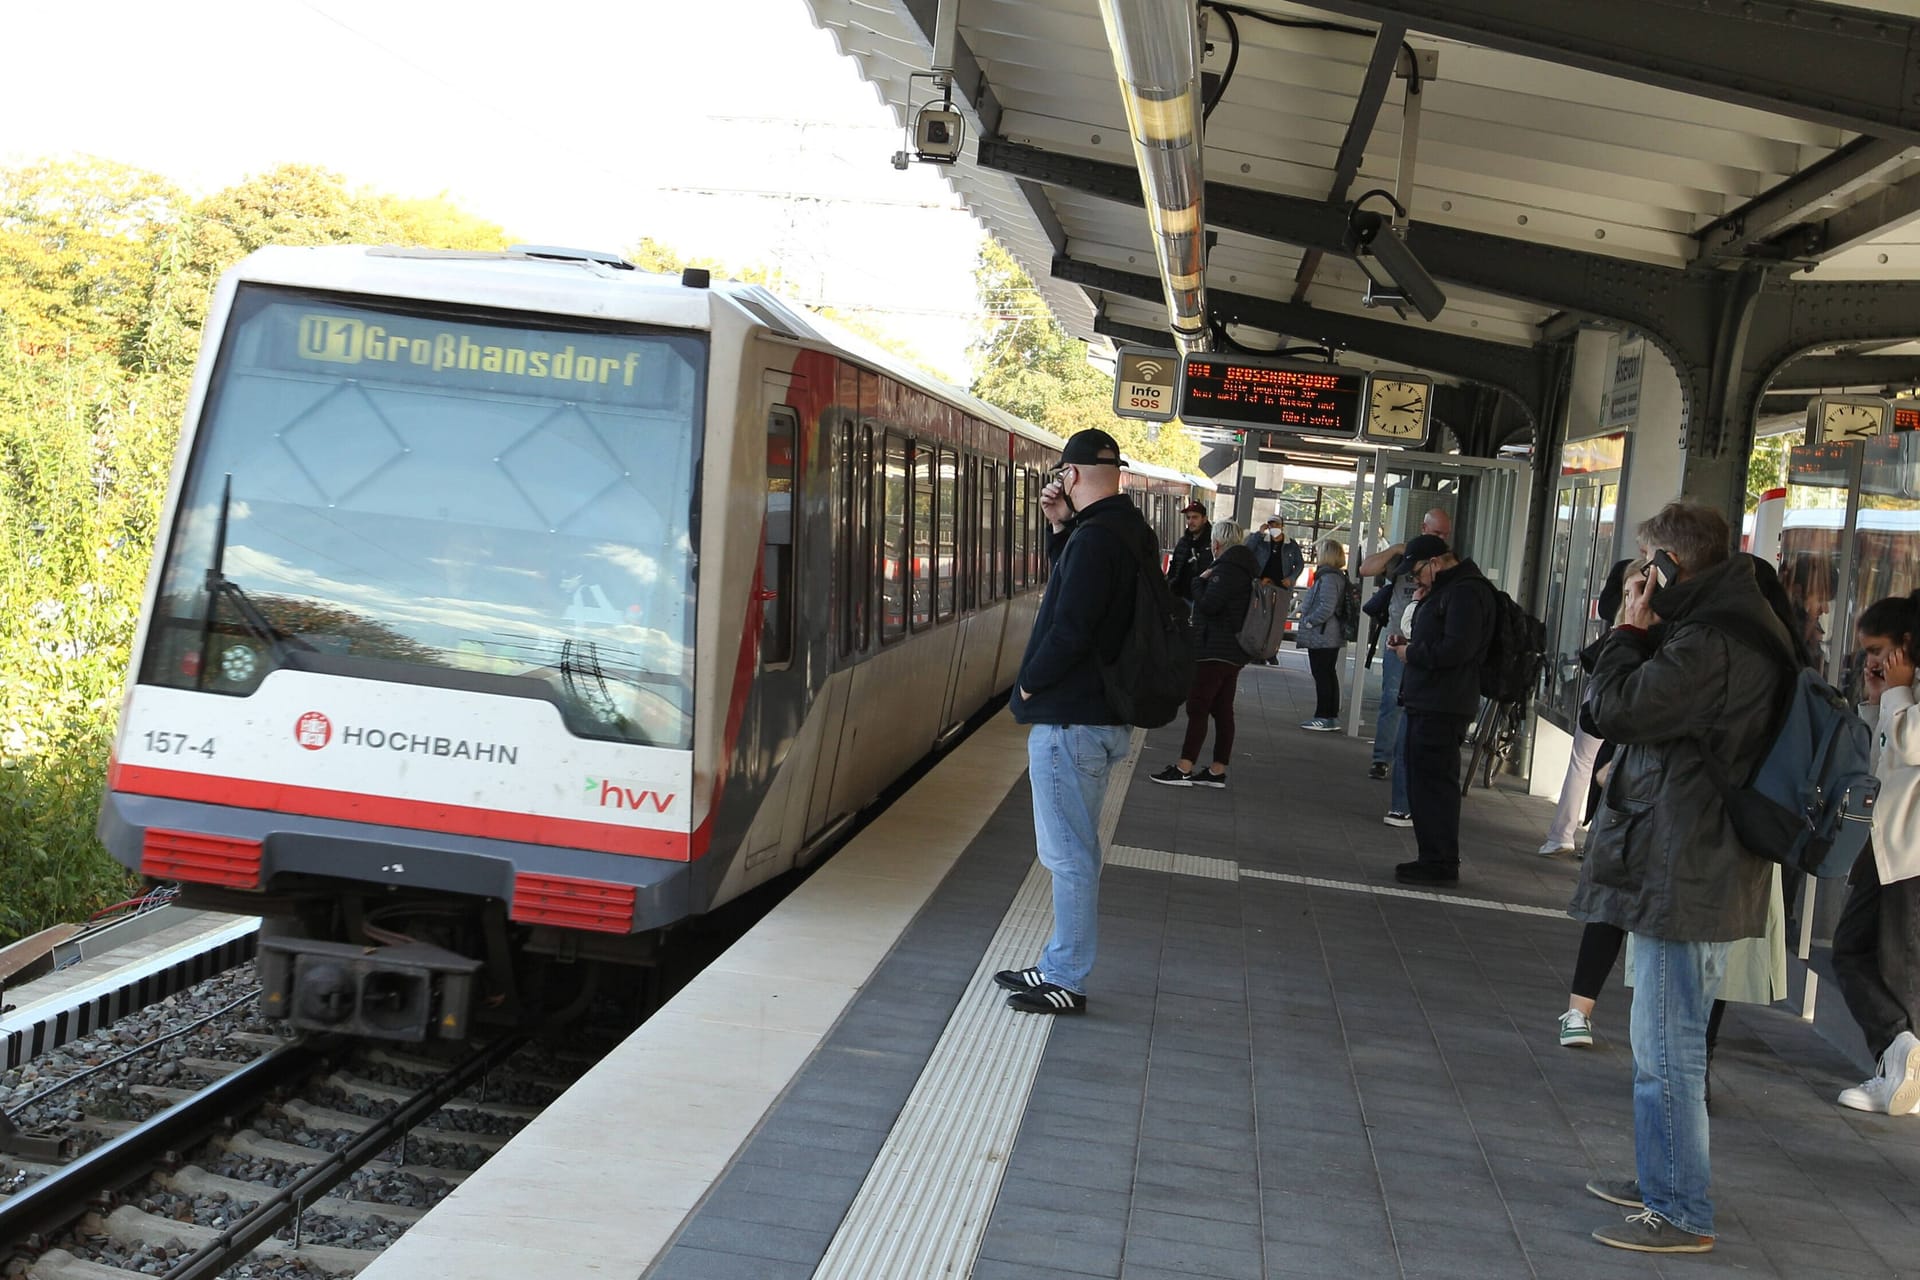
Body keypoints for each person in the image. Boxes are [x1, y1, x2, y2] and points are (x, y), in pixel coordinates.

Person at [1569, 500, 1786, 1255]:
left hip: (1687, 864)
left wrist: (1629, 630)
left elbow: (1616, 708)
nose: (1637, 579)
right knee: (1665, 1041)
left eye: (1644, 566)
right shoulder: (1718, 623)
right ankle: (1660, 1176)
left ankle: (1681, 1207)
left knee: (1669, 1050)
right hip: (1689, 857)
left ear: (1669, 567)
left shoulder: (1713, 641)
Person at [996, 428, 1144, 1017]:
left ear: (1072, 476)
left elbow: (1068, 624)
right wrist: (1061, 526)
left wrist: (1031, 683)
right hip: (1103, 718)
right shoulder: (1126, 531)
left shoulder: (1096, 540)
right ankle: (1059, 960)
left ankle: (1066, 977)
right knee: (1075, 849)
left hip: (1072, 721)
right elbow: (1079, 593)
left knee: (1069, 856)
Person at [1832, 592, 1920, 1116]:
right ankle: (1899, 1055)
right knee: (1852, 950)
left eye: (1879, 649)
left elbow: (1911, 745)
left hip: (1910, 850)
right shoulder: (1898, 693)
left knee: (1901, 966)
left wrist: (1897, 693)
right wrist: (1876, 699)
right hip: (1884, 843)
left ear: (1906, 645)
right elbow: (1879, 758)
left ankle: (1901, 1064)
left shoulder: (1908, 693)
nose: (1870, 659)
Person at [1384, 533, 1494, 885]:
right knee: (1424, 780)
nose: (1415, 579)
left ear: (1436, 562)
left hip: (1443, 703)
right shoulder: (1451, 590)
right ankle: (1432, 857)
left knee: (1434, 783)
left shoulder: (1465, 592)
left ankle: (1440, 861)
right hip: (1432, 699)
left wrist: (1410, 653)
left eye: (1417, 572)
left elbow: (1456, 650)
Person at [1357, 508, 1454, 824]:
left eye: (1444, 535)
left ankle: (1403, 780)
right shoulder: (1407, 556)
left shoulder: (1446, 562)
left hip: (1426, 646)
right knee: (1391, 700)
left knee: (1413, 712)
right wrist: (1398, 550)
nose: (1440, 539)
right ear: (1424, 527)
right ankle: (1382, 758)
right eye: (1436, 533)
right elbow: (1365, 568)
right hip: (1399, 638)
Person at [1539, 558, 1634, 857]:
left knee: (1585, 759)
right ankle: (1578, 835)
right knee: (1606, 762)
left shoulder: (1628, 573)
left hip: (1614, 685)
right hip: (1624, 689)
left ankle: (1563, 833)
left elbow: (1607, 610)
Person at [1148, 519, 1252, 789]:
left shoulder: (1226, 569)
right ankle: (1217, 770)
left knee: (1198, 707)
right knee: (1222, 710)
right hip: (1234, 652)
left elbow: (1208, 605)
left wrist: (1198, 581)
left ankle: (1184, 767)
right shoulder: (1246, 567)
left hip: (1213, 650)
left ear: (1216, 543)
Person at [1296, 538, 1349, 731]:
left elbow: (1326, 606)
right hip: (1330, 634)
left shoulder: (1328, 578)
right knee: (1328, 674)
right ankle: (1330, 716)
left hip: (1324, 634)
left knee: (1322, 675)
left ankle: (1323, 716)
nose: (1316, 555)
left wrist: (1309, 621)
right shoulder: (1336, 576)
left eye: (1319, 552)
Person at [1246, 517, 1303, 664]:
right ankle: (1257, 651)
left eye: (1276, 524)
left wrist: (1291, 578)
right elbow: (1247, 550)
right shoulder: (1262, 542)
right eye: (1271, 524)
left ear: (1282, 526)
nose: (1273, 527)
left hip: (1282, 588)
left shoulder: (1291, 545)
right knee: (1259, 619)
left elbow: (1299, 564)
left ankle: (1271, 651)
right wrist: (1258, 534)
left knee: (1276, 621)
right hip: (1261, 586)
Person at [1165, 501, 1213, 602]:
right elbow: (1173, 567)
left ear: (1204, 519)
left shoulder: (1212, 543)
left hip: (1199, 600)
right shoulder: (1183, 542)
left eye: (1195, 517)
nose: (1190, 521)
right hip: (1179, 598)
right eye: (1188, 517)